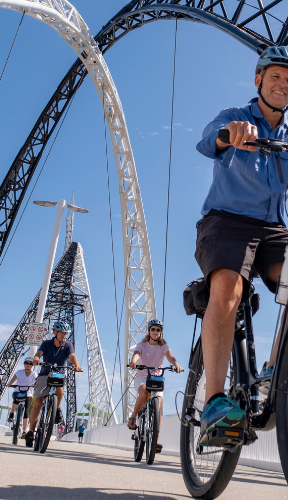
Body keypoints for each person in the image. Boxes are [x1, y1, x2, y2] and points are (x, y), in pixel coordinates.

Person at [194, 46, 288, 445]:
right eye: (275, 77)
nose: (283, 85)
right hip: (227, 223)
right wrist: (229, 134)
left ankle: (272, 372)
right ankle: (215, 400)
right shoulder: (235, 117)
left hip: (274, 229)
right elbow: (207, 140)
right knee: (229, 287)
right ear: (258, 81)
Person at [127, 319, 183, 452]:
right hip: (142, 377)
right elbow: (136, 355)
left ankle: (155, 441)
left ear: (161, 332)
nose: (156, 332)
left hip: (157, 379)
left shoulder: (164, 347)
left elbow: (170, 358)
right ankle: (133, 417)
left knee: (158, 402)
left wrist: (176, 365)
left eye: (158, 329)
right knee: (144, 392)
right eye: (153, 329)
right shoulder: (142, 344)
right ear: (149, 331)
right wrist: (133, 362)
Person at [25, 320, 82, 447]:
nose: (64, 335)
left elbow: (72, 356)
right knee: (39, 402)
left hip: (58, 375)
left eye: (65, 333)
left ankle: (56, 410)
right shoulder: (46, 344)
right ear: (55, 332)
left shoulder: (68, 345)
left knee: (60, 390)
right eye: (62, 333)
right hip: (45, 374)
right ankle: (31, 431)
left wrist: (76, 365)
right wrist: (36, 358)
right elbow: (39, 353)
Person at [6, 357, 38, 437]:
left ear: (32, 365)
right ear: (24, 364)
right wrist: (10, 383)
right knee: (16, 400)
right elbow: (14, 378)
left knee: (26, 411)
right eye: (26, 363)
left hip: (28, 393)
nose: (28, 365)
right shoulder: (19, 372)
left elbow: (36, 381)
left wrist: (37, 386)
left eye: (30, 364)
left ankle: (24, 431)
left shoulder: (34, 374)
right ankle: (12, 413)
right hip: (18, 391)